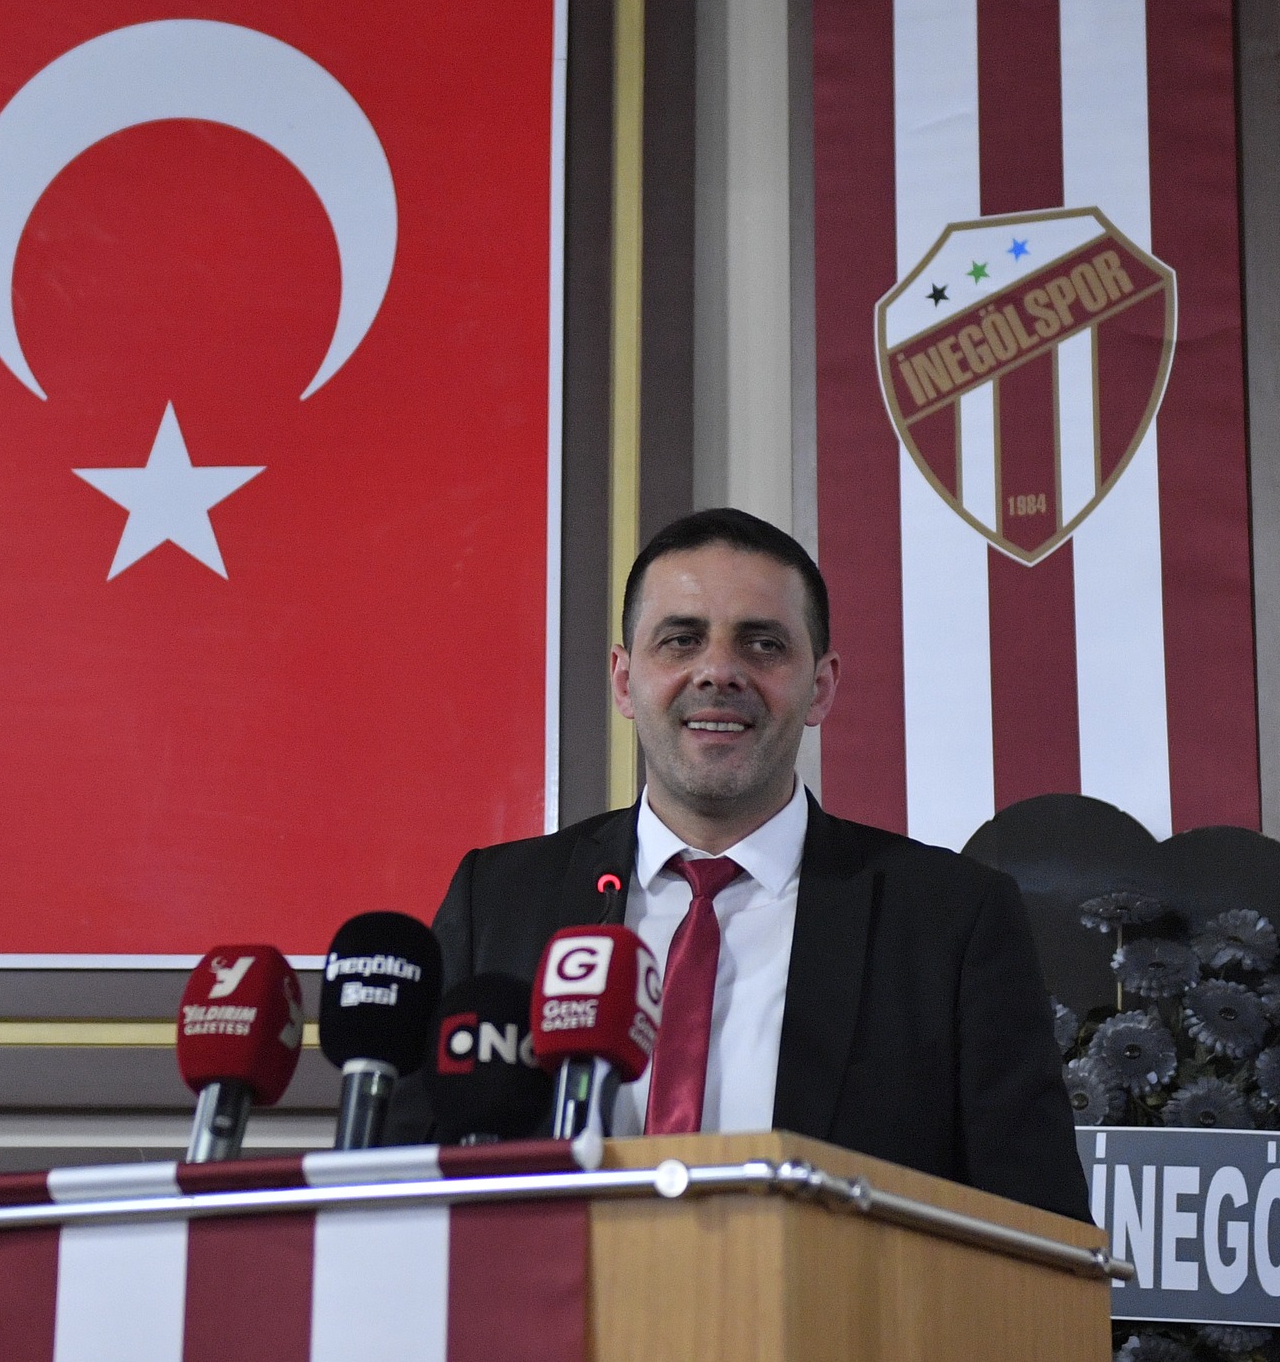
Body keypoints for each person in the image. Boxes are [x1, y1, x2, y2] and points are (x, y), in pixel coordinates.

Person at [387, 508, 1088, 1221]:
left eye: (762, 644)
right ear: (624, 681)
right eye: (681, 640)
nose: (719, 672)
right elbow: (396, 1195)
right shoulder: (496, 903)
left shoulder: (952, 920)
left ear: (821, 687)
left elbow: (1040, 1232)